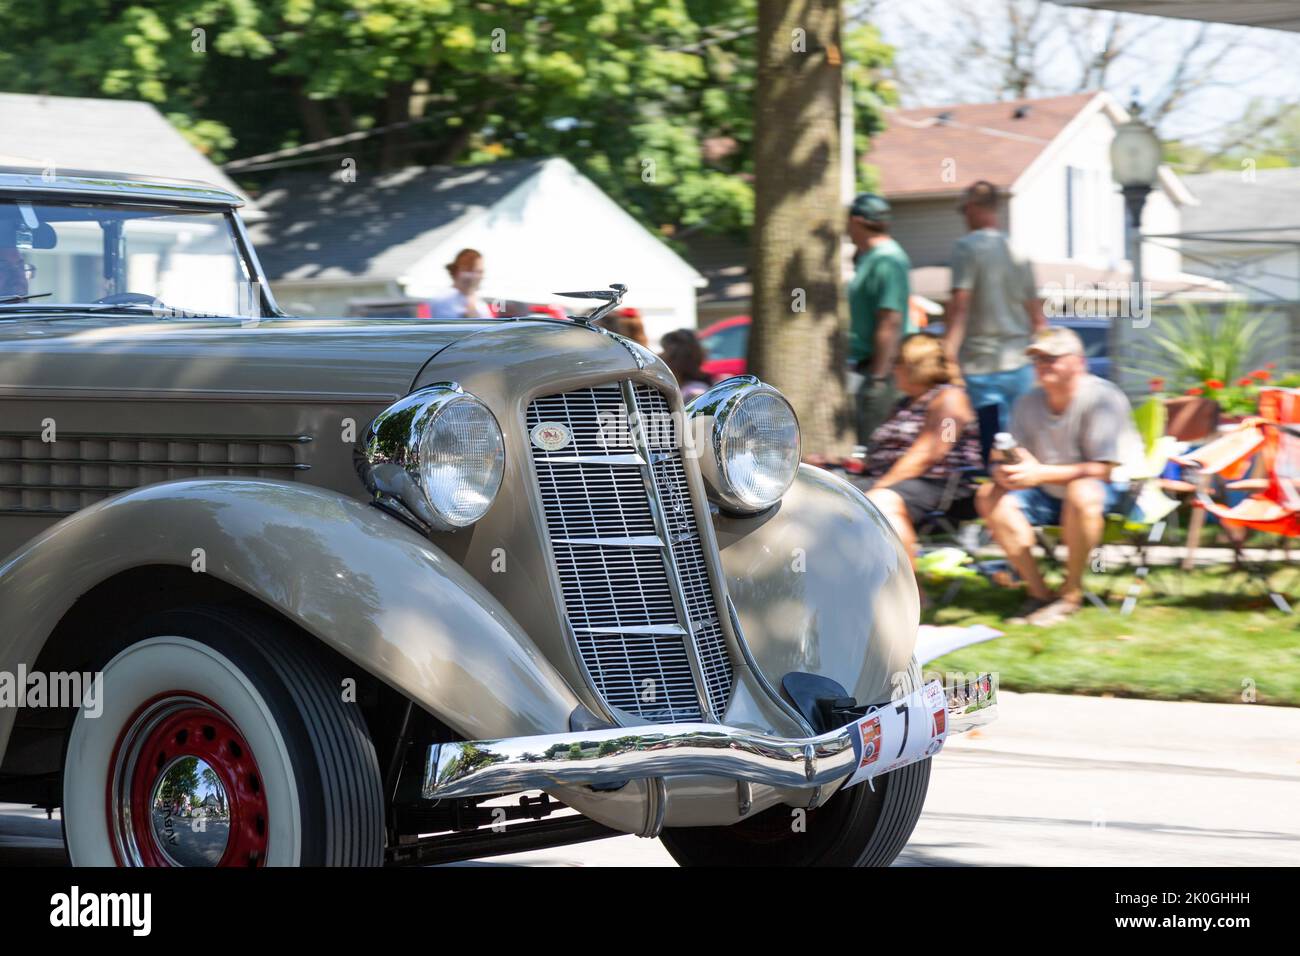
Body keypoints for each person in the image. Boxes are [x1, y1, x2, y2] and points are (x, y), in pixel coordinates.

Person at [975, 327, 1143, 627]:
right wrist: (1003, 470)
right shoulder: (1028, 402)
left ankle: (1070, 594)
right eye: (1037, 359)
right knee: (988, 494)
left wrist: (1039, 474)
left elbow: (1104, 470)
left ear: (1079, 362)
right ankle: (1039, 594)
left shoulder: (1103, 398)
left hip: (1110, 495)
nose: (1042, 365)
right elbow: (1008, 455)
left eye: (1051, 359)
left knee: (1082, 491)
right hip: (1047, 493)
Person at [863, 333, 982, 569]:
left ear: (915, 365)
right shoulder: (905, 403)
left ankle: (912, 592)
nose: (893, 368)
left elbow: (930, 452)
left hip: (939, 486)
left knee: (879, 502)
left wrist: (880, 486)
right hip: (895, 480)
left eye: (897, 361)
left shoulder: (950, 398)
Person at [943, 180, 1046, 432]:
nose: (964, 217)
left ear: (974, 207)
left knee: (991, 447)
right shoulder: (1018, 249)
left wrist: (947, 354)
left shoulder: (966, 247)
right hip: (1021, 365)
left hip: (982, 366)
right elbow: (1037, 314)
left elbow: (960, 306)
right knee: (1020, 442)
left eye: (964, 210)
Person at [846, 192, 914, 443]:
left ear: (855, 220)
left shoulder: (888, 259)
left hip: (885, 370)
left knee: (875, 446)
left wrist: (877, 378)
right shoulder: (870, 258)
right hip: (869, 366)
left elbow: (890, 320)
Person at [426, 248, 494, 318]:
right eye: (476, 271)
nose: (480, 276)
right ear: (458, 271)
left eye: (480, 272)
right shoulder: (443, 299)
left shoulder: (479, 302)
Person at [660, 329, 712, 402]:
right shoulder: (707, 383)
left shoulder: (694, 392)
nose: (659, 354)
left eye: (663, 350)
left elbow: (700, 414)